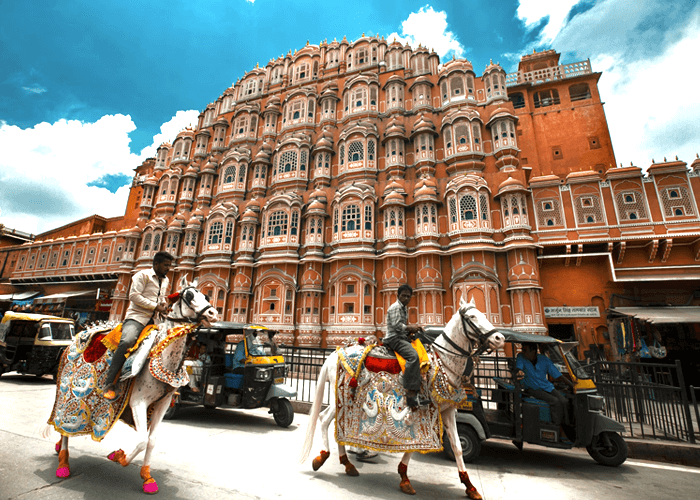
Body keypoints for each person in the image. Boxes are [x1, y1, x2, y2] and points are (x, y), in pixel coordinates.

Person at [103, 251, 174, 400]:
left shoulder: (165, 280)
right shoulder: (142, 276)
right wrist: (156, 306)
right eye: (166, 265)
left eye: (170, 265)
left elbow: (160, 299)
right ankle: (109, 383)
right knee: (127, 341)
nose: (168, 268)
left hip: (155, 320)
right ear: (156, 264)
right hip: (137, 318)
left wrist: (163, 307)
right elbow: (134, 296)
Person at [514, 342, 574, 435]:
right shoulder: (521, 356)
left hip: (546, 386)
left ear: (533, 351)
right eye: (523, 350)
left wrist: (572, 385)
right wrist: (519, 372)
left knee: (564, 401)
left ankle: (566, 425)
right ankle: (556, 426)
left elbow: (558, 375)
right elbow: (519, 368)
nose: (523, 352)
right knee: (554, 401)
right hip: (532, 388)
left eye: (525, 350)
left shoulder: (544, 360)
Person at [384, 284, 427, 409]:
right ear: (398, 296)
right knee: (413, 356)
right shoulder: (396, 307)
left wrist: (411, 332)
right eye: (404, 296)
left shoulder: (403, 308)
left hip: (400, 337)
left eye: (408, 296)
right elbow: (397, 326)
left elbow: (402, 328)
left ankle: (420, 391)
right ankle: (410, 394)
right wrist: (410, 327)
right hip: (393, 339)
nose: (406, 298)